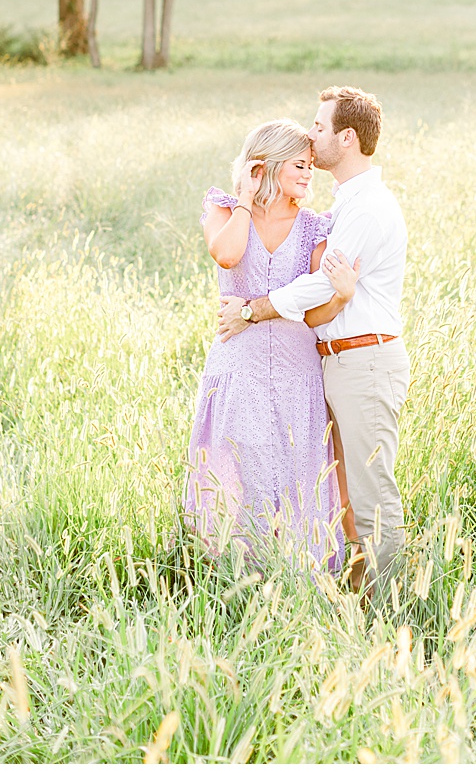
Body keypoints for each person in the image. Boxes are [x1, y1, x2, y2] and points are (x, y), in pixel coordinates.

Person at [218, 86, 408, 598]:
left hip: (365, 359)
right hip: (340, 361)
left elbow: (322, 283)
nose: (312, 133)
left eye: (320, 127)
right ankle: (357, 596)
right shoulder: (347, 203)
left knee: (370, 493)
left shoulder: (366, 208)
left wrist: (253, 310)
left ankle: (393, 606)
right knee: (346, 492)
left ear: (346, 139)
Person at [184, 119, 360, 576]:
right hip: (237, 367)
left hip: (295, 370)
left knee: (295, 472)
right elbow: (227, 255)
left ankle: (297, 577)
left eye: (310, 166)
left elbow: (319, 301)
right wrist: (246, 197)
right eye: (299, 165)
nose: (308, 174)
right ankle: (239, 577)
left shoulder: (313, 228)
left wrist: (335, 296)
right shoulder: (222, 209)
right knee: (242, 470)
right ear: (270, 164)